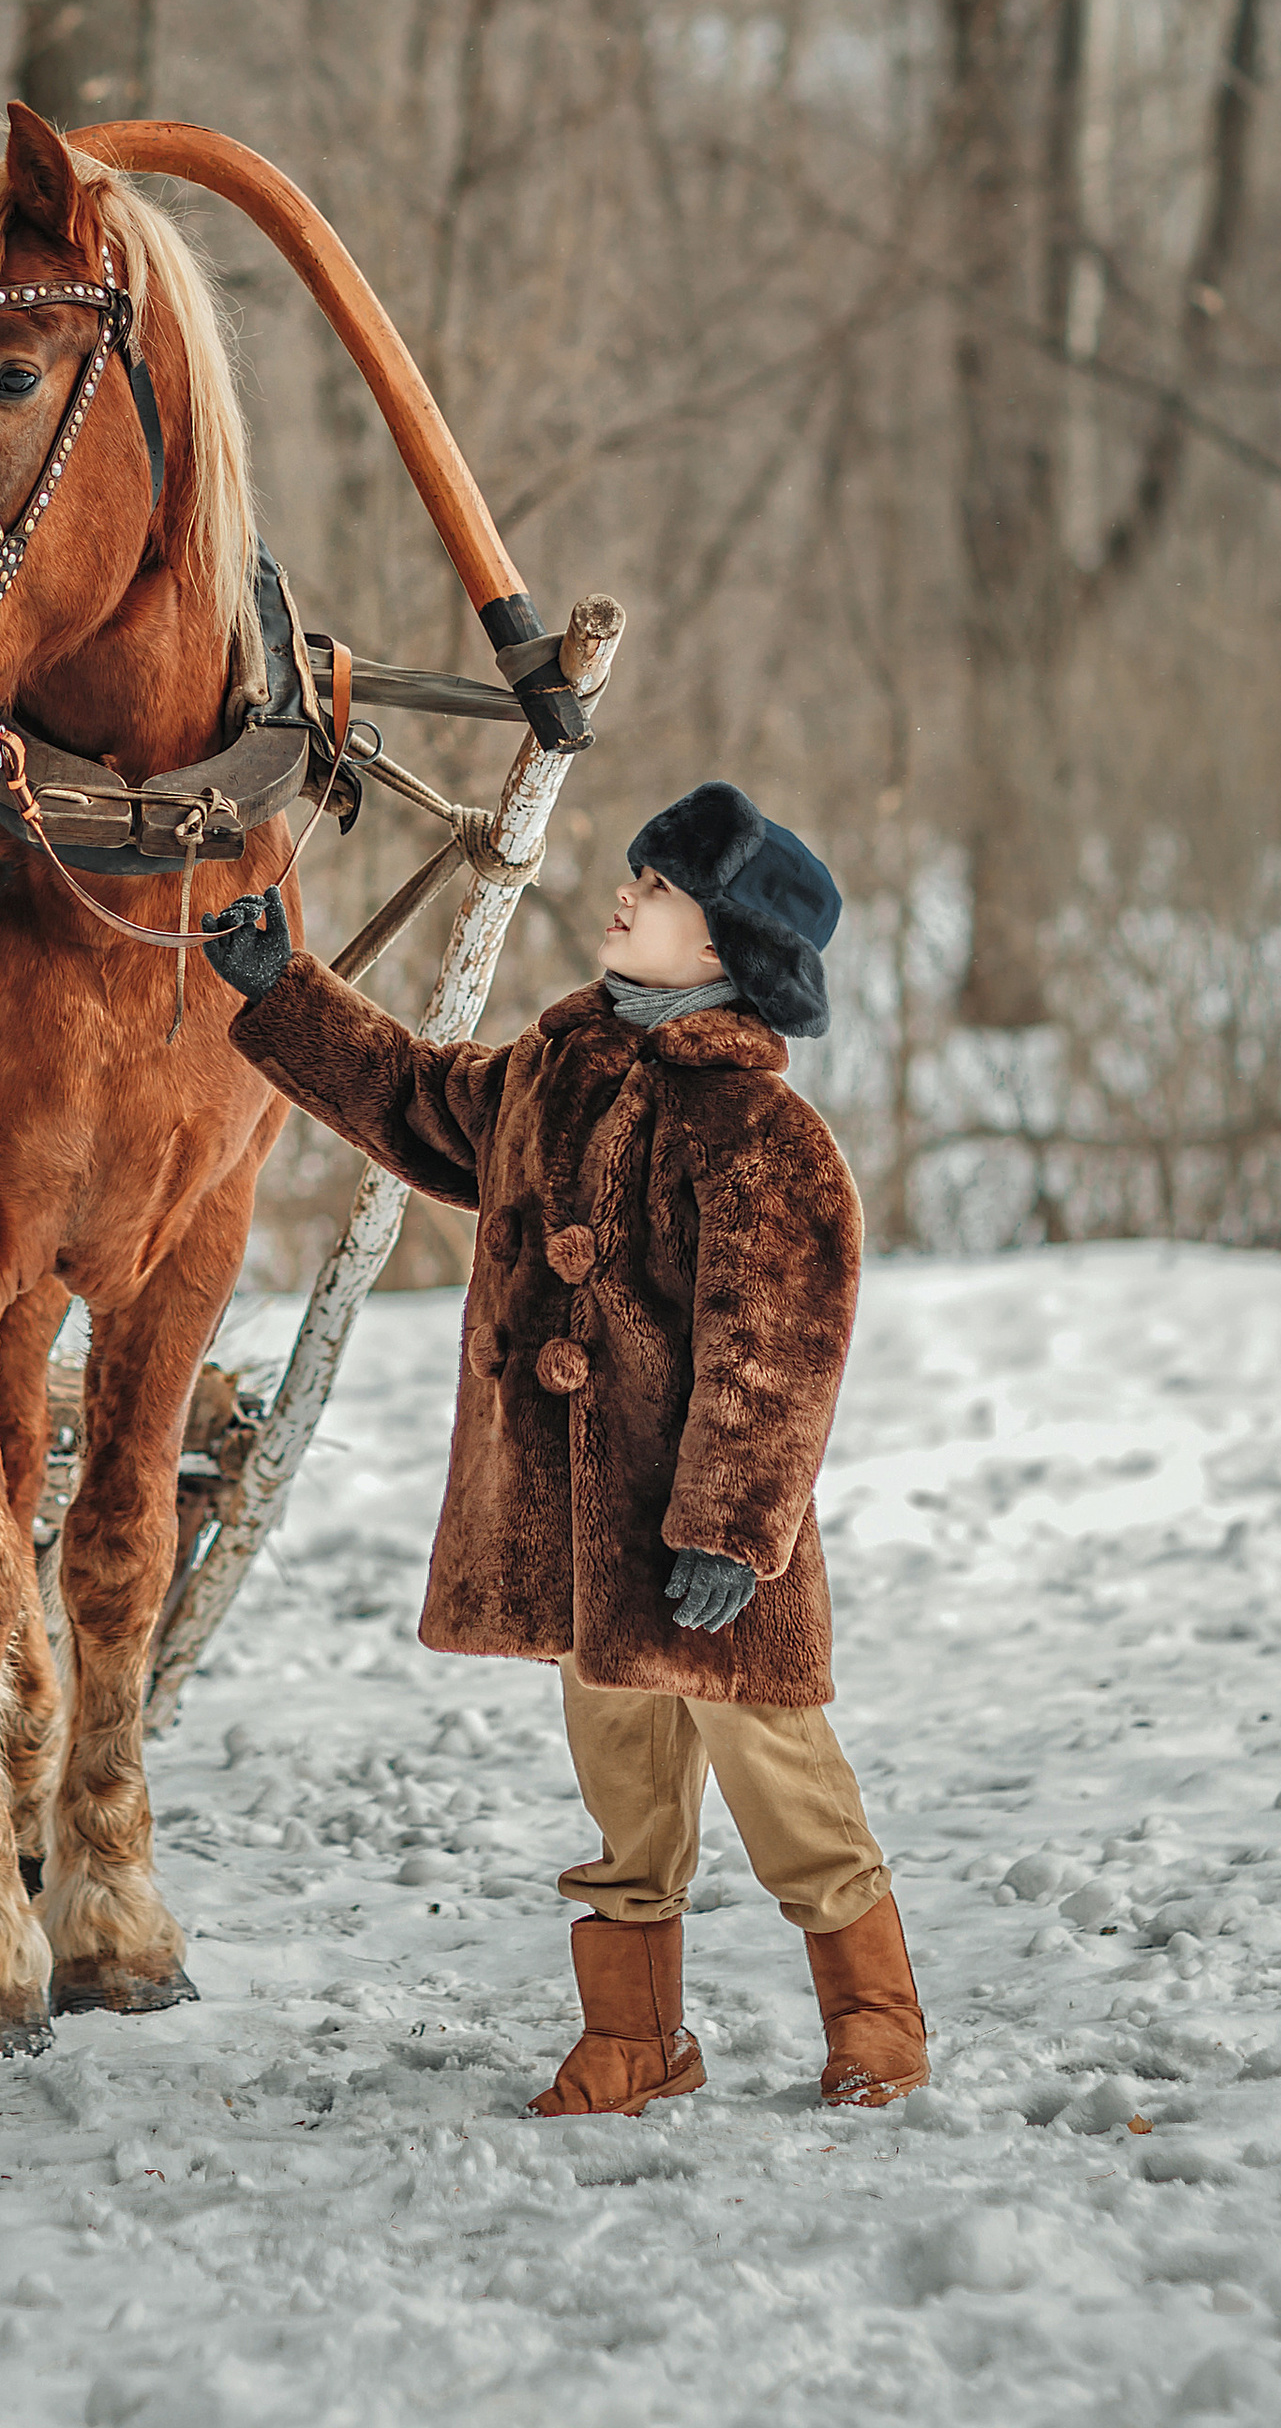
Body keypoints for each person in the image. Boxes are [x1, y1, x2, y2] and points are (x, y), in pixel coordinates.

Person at [199, 781, 927, 2119]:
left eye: (658, 886)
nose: (627, 894)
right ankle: (636, 2041)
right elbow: (418, 1101)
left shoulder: (762, 1137)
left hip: (704, 1553)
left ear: (714, 949)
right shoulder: (554, 1073)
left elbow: (780, 1355)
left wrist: (727, 1525)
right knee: (627, 1804)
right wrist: (282, 993)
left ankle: (877, 2021)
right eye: (639, 875)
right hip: (588, 1552)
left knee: (787, 1792)